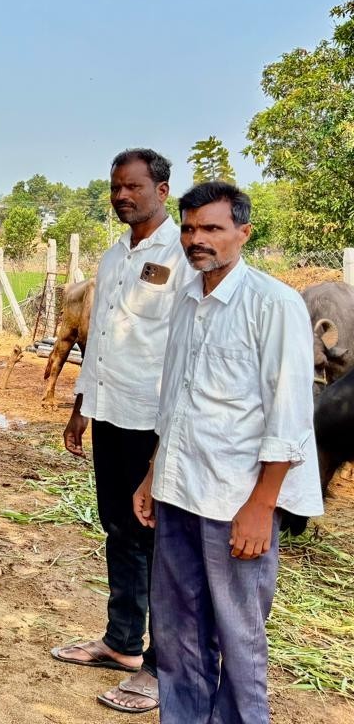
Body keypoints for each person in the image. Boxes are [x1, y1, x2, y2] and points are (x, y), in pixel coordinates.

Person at [134, 182, 323, 724]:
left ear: (244, 232)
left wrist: (262, 506)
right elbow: (176, 400)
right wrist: (152, 476)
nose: (198, 239)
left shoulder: (275, 303)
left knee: (239, 634)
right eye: (190, 228)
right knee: (177, 629)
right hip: (179, 490)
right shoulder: (186, 300)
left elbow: (289, 415)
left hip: (235, 500)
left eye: (212, 228)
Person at [52, 148, 196, 714]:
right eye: (115, 188)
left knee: (160, 540)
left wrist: (171, 438)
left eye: (132, 187)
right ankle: (120, 642)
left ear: (162, 189)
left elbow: (185, 350)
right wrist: (79, 407)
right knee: (119, 528)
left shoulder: (184, 256)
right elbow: (101, 342)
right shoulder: (113, 258)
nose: (121, 197)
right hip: (110, 412)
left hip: (155, 423)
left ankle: (164, 665)